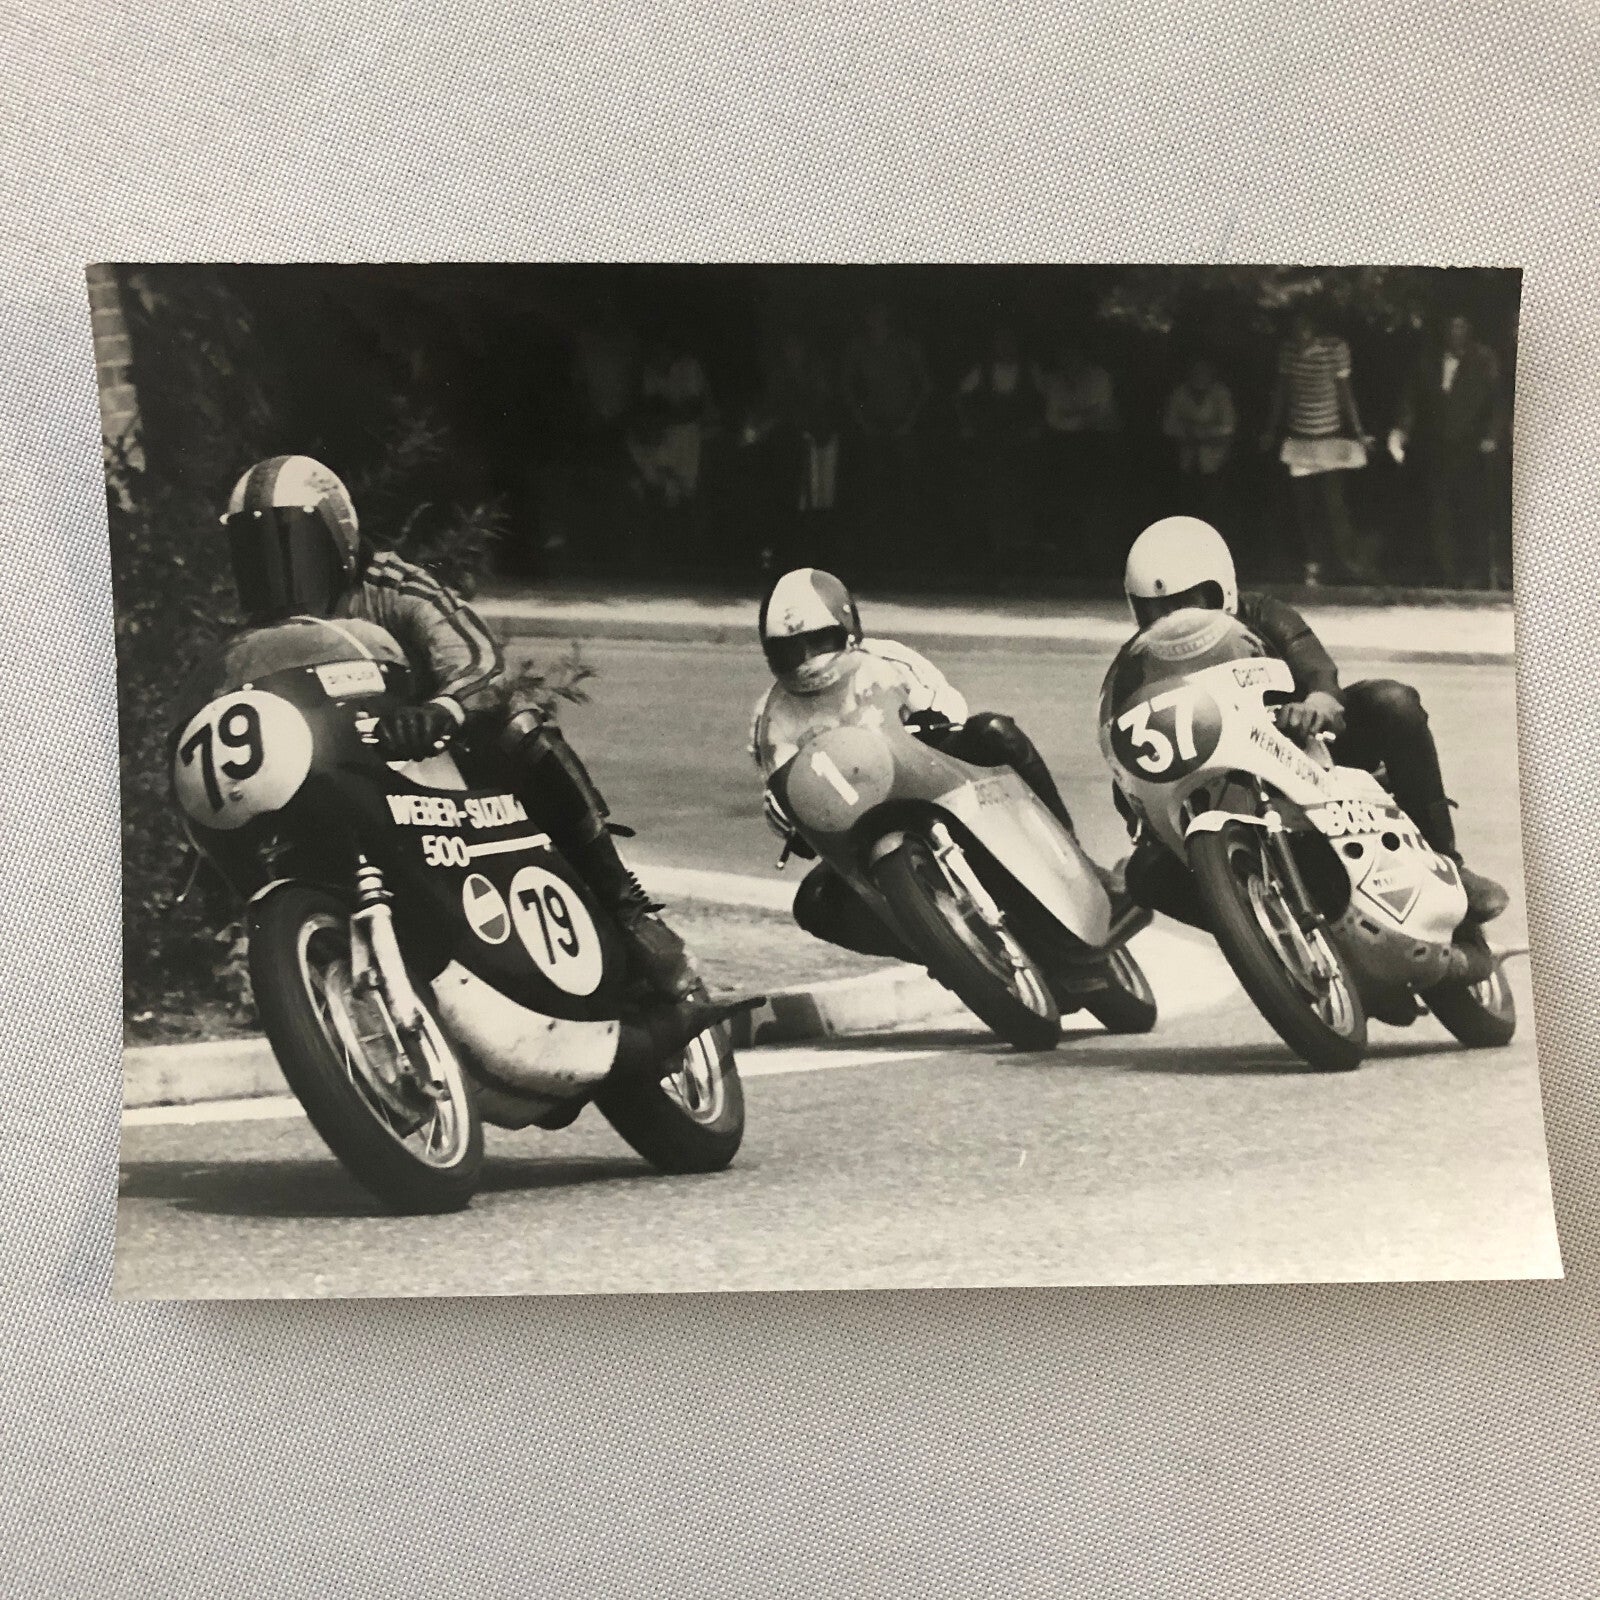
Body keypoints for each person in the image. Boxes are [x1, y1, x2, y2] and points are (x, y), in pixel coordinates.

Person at [219, 454, 717, 1015]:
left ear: (340, 541)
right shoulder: (249, 647)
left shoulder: (390, 586)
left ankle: (627, 911)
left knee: (519, 726)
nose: (279, 575)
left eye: (295, 551)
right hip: (354, 784)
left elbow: (479, 658)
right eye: (257, 557)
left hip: (443, 766)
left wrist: (442, 710)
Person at [1109, 516, 1507, 965]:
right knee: (1145, 872)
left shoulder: (1261, 615)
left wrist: (1316, 704)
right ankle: (1260, 939)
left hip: (1309, 754)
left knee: (1393, 703)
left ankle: (1447, 861)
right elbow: (1126, 742)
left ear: (1221, 589)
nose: (1173, 619)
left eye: (1188, 601)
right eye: (1157, 609)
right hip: (1220, 788)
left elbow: (1320, 674)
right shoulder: (1141, 665)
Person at [749, 567, 1103, 959]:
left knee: (994, 732)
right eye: (789, 651)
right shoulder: (771, 716)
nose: (807, 661)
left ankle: (1074, 857)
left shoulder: (887, 660)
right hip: (857, 825)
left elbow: (948, 708)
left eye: (818, 642)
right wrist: (784, 816)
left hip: (927, 778)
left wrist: (930, 722)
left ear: (847, 628)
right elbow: (782, 785)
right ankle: (941, 952)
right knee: (813, 903)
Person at [1389, 314, 1507, 588]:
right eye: (1451, 326)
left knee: (1472, 510)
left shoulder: (1483, 360)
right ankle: (1446, 573)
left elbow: (1497, 402)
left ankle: (1475, 574)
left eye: (1461, 326)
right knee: (1438, 510)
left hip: (1471, 448)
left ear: (1469, 330)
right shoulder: (1428, 361)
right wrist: (1401, 432)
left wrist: (1491, 436)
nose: (1455, 332)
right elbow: (1412, 400)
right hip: (1437, 447)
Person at [1260, 307, 1371, 586]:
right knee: (1305, 506)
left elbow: (1345, 393)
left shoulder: (1335, 349)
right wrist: (1271, 430)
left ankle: (1346, 564)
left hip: (1330, 436)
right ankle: (1314, 564)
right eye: (1296, 330)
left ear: (1315, 328)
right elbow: (1282, 391)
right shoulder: (1288, 351)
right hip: (1300, 439)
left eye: (1304, 329)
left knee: (1334, 505)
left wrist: (1358, 432)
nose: (1300, 336)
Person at [1161, 355, 1236, 516]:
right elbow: (1168, 425)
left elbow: (1228, 426)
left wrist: (1193, 430)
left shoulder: (1220, 393)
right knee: (1185, 506)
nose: (1199, 374)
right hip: (1186, 460)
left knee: (1210, 508)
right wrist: (1201, 432)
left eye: (1204, 371)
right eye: (1196, 370)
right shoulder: (1180, 393)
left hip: (1214, 462)